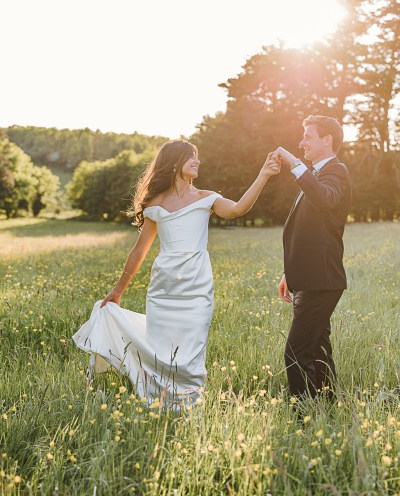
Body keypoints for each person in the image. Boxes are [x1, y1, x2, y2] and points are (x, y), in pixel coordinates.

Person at [73, 139, 280, 407]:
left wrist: (264, 174)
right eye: (191, 156)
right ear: (174, 162)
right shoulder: (155, 204)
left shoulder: (207, 198)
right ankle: (159, 402)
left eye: (197, 156)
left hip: (197, 286)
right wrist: (118, 290)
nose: (197, 161)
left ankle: (191, 406)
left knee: (192, 349)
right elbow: (139, 251)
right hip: (164, 288)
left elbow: (238, 208)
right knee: (160, 349)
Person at [275, 115, 351, 400]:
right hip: (310, 277)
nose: (301, 142)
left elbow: (326, 200)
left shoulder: (336, 171)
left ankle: (305, 416)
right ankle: (327, 407)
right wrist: (289, 272)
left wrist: (294, 164)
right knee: (317, 348)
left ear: (327, 140)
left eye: (308, 136)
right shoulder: (316, 174)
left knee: (297, 352)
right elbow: (309, 231)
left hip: (322, 279)